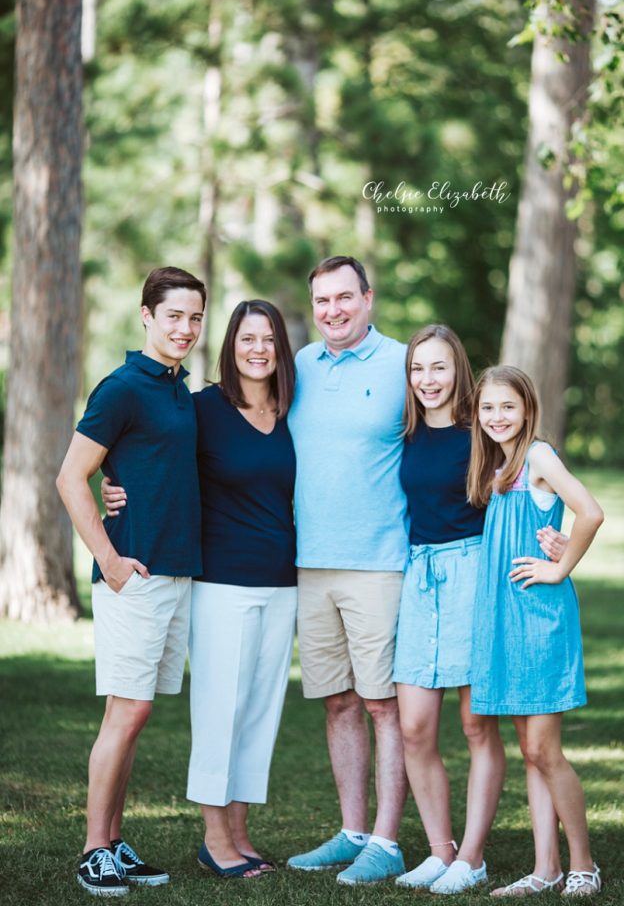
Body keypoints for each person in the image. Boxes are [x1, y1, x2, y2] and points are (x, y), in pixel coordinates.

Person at [102, 301, 297, 879]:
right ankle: (215, 840)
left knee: (260, 714)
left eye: (268, 339)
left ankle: (239, 832)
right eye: (246, 338)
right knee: (221, 711)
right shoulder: (203, 407)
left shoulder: (291, 410)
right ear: (230, 345)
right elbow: (139, 445)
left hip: (281, 580)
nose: (257, 348)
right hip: (219, 582)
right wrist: (113, 484)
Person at [393, 327, 566, 896]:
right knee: (415, 726)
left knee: (474, 725)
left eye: (440, 368)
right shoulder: (407, 432)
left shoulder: (483, 434)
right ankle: (440, 851)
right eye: (419, 369)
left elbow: (533, 486)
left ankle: (472, 857)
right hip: (421, 579)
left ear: (459, 372)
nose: (428, 380)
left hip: (477, 575)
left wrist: (554, 545)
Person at [56, 266, 206, 897]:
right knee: (127, 710)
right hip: (133, 575)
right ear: (147, 315)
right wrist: (111, 560)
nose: (186, 328)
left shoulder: (177, 388)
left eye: (196, 318)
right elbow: (71, 477)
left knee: (138, 714)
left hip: (176, 571)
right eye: (174, 315)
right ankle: (94, 848)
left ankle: (114, 842)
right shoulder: (121, 388)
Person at [285, 255, 410, 885]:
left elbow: (460, 439)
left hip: (380, 564)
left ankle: (387, 843)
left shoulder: (403, 363)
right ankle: (352, 831)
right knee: (337, 702)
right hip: (310, 564)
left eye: (343, 298)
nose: (332, 311)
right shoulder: (301, 365)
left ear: (368, 298)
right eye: (322, 302)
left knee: (383, 704)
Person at [468, 365, 604, 897]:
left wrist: (560, 565)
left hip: (540, 619)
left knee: (545, 750)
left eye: (507, 406)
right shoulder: (500, 466)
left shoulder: (539, 457)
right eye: (487, 408)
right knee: (530, 750)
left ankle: (584, 865)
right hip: (509, 619)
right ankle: (545, 868)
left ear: (527, 409)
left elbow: (590, 513)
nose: (497, 417)